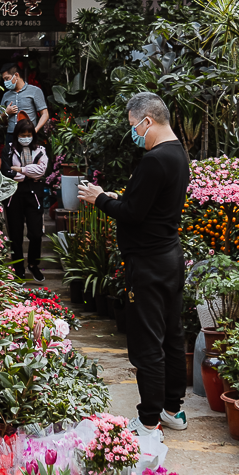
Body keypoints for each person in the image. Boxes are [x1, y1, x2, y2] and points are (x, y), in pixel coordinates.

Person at [78, 91, 190, 454]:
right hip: (170, 257)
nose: (133, 134)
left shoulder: (155, 160)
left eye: (133, 127)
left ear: (148, 121)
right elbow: (146, 205)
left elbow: (133, 214)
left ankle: (149, 422)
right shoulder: (178, 153)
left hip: (149, 263)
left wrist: (100, 199)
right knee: (172, 336)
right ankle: (173, 409)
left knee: (147, 343)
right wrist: (118, 198)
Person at [3, 113, 49, 282]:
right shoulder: (8, 149)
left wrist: (21, 170)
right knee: (15, 235)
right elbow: (6, 172)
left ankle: (33, 264)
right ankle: (18, 268)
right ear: (17, 135)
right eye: (23, 136)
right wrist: (30, 172)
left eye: (29, 136)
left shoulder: (40, 150)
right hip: (13, 195)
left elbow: (42, 170)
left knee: (36, 233)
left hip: (33, 195)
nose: (26, 139)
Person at [0, 59, 48, 146]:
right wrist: (6, 113)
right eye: (4, 80)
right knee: (11, 159)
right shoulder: (6, 95)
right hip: (11, 135)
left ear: (16, 75)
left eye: (7, 78)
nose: (5, 82)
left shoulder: (35, 91)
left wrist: (35, 130)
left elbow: (45, 114)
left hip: (28, 135)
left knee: (29, 159)